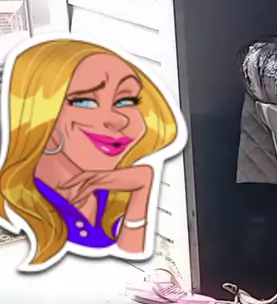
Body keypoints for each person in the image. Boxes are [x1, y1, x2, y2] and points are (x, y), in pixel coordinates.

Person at [0, 38, 181, 271]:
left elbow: (131, 262)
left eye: (126, 100)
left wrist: (142, 186)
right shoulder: (22, 204)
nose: (118, 119)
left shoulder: (112, 190)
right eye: (84, 101)